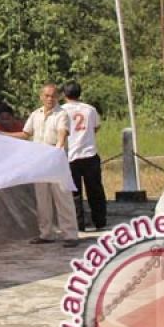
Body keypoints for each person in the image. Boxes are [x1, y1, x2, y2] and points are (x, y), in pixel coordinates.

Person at [1, 83, 79, 248]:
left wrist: (58, 150)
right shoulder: (36, 114)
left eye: (53, 96)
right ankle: (46, 233)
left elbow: (62, 133)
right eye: (47, 96)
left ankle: (70, 234)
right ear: (41, 97)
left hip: (56, 160)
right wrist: (3, 135)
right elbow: (26, 134)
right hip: (40, 161)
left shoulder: (61, 114)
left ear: (57, 97)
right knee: (42, 199)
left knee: (62, 198)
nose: (50, 99)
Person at [62, 81, 107, 231]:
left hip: (70, 155)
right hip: (89, 153)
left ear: (64, 95)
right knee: (95, 190)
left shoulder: (61, 111)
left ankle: (78, 223)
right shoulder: (90, 109)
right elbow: (96, 127)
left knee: (74, 192)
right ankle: (100, 221)